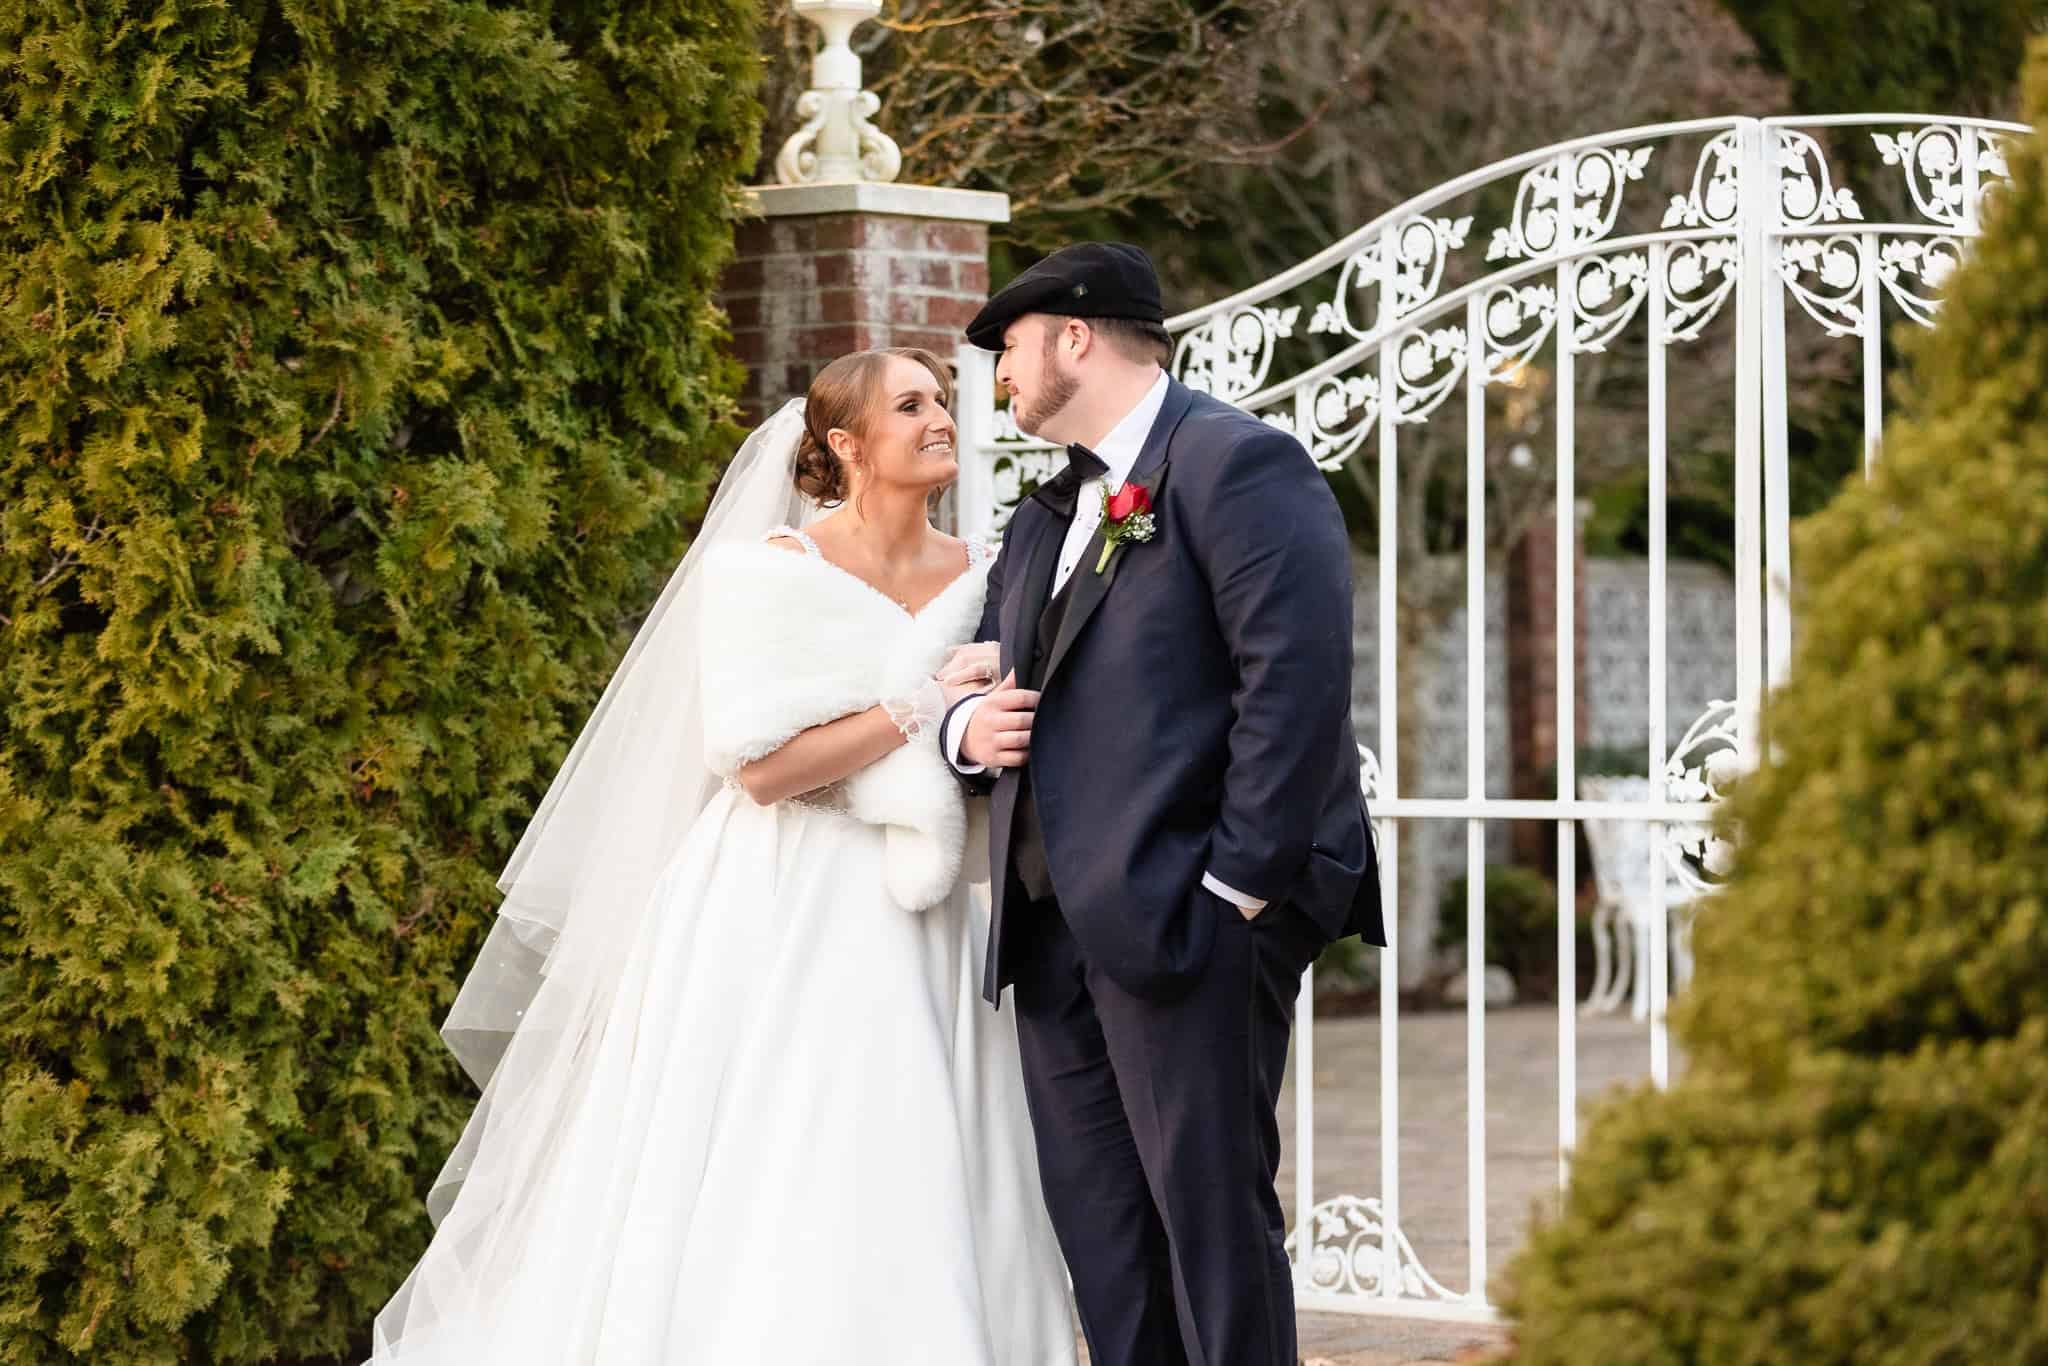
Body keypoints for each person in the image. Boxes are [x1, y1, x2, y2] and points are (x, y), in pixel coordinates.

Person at [369, 348, 1075, 1365]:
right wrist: (919, 702)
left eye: (941, 402)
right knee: (780, 1138)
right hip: (780, 894)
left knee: (918, 1142)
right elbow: (762, 772)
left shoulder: (982, 573)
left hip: (921, 905)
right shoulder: (767, 575)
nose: (938, 420)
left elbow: (990, 743)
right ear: (844, 441)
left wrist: (966, 728)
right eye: (910, 404)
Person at [941, 242, 1387, 1366]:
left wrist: (1232, 890)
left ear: (1073, 338)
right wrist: (958, 723)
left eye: (1010, 351)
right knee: (1102, 1240)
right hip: (1048, 935)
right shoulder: (1047, 508)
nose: (1000, 378)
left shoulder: (1238, 465)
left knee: (1210, 1236)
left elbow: (1289, 688)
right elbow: (995, 676)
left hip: (1190, 919)